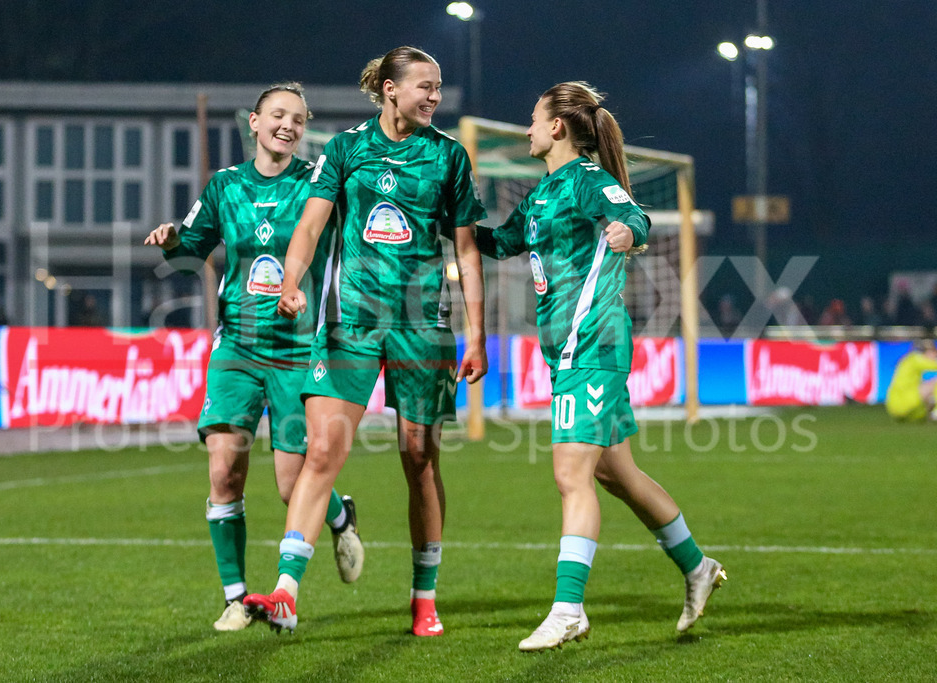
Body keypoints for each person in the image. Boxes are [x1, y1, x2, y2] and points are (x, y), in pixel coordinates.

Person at [243, 46, 488, 637]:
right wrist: (293, 279)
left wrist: (477, 331)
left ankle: (423, 596)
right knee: (323, 453)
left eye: (437, 86)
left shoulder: (449, 157)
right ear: (388, 88)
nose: (433, 96)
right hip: (349, 322)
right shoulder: (346, 150)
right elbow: (310, 223)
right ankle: (285, 592)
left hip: (422, 329)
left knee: (420, 460)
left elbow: (467, 248)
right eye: (424, 86)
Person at [474, 82, 725, 651]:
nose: (528, 129)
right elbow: (500, 243)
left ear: (558, 126)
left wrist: (625, 230)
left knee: (570, 476)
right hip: (567, 355)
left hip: (592, 345)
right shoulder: (541, 196)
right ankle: (697, 565)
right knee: (617, 475)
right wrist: (444, 223)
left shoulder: (587, 181)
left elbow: (634, 216)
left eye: (534, 119)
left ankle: (568, 611)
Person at [143, 83, 364, 632]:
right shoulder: (225, 186)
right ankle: (237, 598)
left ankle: (340, 515)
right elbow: (192, 245)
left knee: (293, 485)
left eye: (298, 118)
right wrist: (173, 238)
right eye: (278, 115)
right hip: (236, 347)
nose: (288, 125)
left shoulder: (317, 182)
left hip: (297, 352)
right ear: (255, 122)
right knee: (224, 472)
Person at [884, 340, 937, 422]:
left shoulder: (908, 360)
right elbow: (934, 365)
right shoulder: (915, 358)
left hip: (895, 407)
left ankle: (930, 413)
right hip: (906, 401)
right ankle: (935, 412)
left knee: (930, 395)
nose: (935, 354)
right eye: (933, 351)